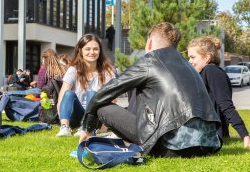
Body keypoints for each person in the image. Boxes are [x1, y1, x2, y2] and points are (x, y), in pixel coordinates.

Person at [80, 23, 222, 158]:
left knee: (103, 108)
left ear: (149, 42)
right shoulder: (188, 65)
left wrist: (87, 128)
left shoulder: (150, 61)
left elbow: (104, 93)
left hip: (170, 148)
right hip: (207, 146)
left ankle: (90, 136)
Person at [187, 36, 250, 148]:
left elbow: (226, 105)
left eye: (193, 57)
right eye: (189, 58)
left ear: (207, 57)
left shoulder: (212, 71)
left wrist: (245, 135)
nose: (189, 61)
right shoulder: (202, 73)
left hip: (211, 134)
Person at [56, 34, 115, 137]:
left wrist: (104, 127)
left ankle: (86, 128)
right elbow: (62, 97)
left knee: (92, 93)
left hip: (96, 116)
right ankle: (65, 128)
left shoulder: (107, 72)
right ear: (81, 51)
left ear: (100, 51)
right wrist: (62, 119)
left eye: (95, 49)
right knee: (69, 93)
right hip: (77, 116)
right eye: (88, 49)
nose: (91, 52)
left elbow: (112, 99)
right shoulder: (73, 70)